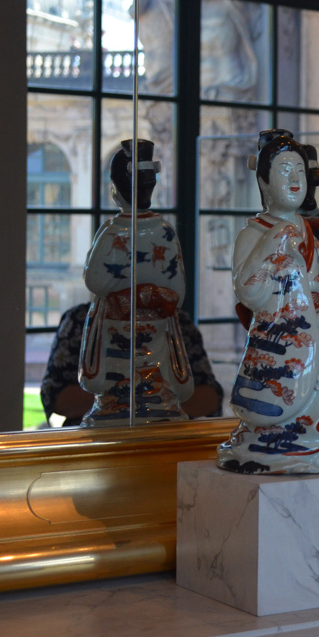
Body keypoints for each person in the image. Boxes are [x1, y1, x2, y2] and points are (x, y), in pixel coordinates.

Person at [218, 130, 319, 474]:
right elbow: (248, 292)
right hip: (277, 341)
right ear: (264, 182)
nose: (294, 179)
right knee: (276, 398)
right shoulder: (253, 233)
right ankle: (275, 447)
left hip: (315, 338)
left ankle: (317, 448)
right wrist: (273, 240)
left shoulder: (308, 231)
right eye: (284, 170)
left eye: (300, 170)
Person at [79, 139, 195, 425]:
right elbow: (177, 292)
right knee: (141, 370)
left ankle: (127, 403)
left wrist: (133, 295)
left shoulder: (112, 231)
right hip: (146, 325)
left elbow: (95, 280)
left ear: (115, 189)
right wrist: (150, 295)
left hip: (122, 323)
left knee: (127, 371)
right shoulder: (164, 231)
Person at [41, 303, 224, 427]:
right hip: (96, 443)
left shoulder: (177, 321)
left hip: (167, 442)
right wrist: (148, 396)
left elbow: (210, 398)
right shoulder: (80, 320)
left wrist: (123, 396)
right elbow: (56, 397)